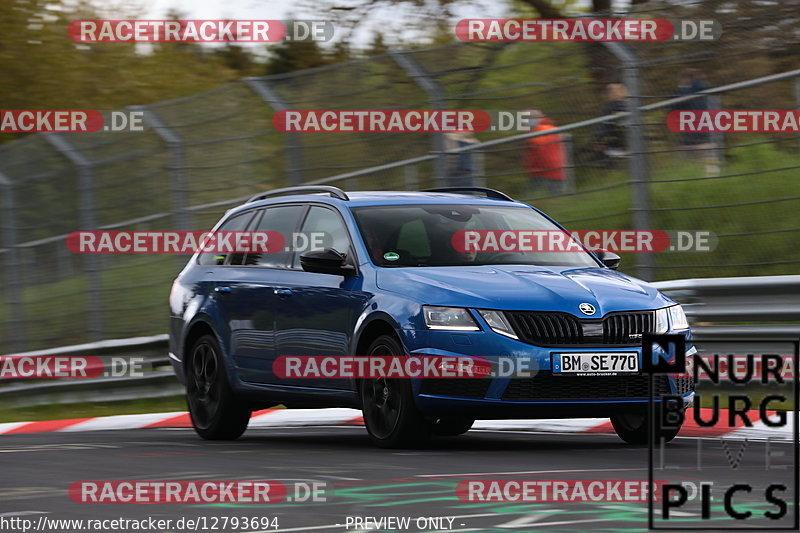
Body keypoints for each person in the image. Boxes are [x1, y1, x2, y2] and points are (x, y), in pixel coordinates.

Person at [673, 68, 720, 175]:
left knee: (684, 171)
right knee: (710, 171)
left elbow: (673, 108)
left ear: (687, 79)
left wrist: (681, 87)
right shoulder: (704, 91)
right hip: (705, 137)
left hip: (689, 139)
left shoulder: (683, 93)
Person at [523, 109, 568, 197]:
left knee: (532, 197)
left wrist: (529, 140)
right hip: (548, 170)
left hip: (546, 171)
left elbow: (540, 146)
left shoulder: (544, 130)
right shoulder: (542, 129)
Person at [594, 83, 629, 167]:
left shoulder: (609, 108)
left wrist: (598, 139)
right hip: (622, 136)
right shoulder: (628, 105)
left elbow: (603, 126)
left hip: (613, 137)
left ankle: (610, 156)